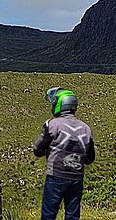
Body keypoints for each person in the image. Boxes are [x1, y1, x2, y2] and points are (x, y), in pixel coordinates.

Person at [33, 87, 96, 220]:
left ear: (60, 104)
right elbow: (90, 158)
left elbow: (37, 149)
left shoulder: (52, 124)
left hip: (56, 175)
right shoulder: (86, 128)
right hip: (77, 177)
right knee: (72, 215)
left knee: (49, 215)